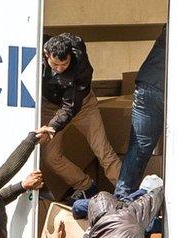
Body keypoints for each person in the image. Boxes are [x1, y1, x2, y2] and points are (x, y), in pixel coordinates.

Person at [38, 33, 121, 201]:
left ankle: (128, 196)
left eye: (64, 63)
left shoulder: (81, 65)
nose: (60, 68)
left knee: (103, 151)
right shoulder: (36, 47)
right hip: (51, 106)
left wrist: (53, 126)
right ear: (46, 54)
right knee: (50, 157)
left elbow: (71, 106)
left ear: (70, 56)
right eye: (54, 64)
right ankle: (86, 187)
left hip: (82, 105)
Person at [114, 26, 166, 199]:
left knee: (138, 149)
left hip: (147, 85)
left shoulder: (176, 19)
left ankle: (121, 200)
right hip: (166, 87)